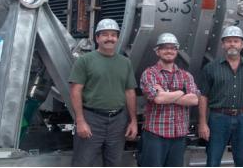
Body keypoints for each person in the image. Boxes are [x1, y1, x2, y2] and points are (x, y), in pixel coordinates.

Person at [69, 18, 138, 166]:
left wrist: (133, 121)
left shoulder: (125, 62)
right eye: (105, 34)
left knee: (114, 163)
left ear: (117, 38)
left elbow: (130, 93)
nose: (109, 38)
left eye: (113, 35)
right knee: (83, 162)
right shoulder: (85, 61)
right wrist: (80, 121)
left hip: (118, 121)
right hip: (92, 119)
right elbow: (75, 91)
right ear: (97, 38)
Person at [198, 25, 243, 167]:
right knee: (213, 159)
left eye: (236, 41)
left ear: (242, 45)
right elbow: (203, 96)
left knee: (242, 160)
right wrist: (203, 123)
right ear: (223, 45)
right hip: (218, 118)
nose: (232, 44)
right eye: (228, 41)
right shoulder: (211, 68)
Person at [138, 33, 200, 166]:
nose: (169, 51)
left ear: (176, 51)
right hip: (156, 134)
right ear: (157, 51)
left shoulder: (186, 75)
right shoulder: (149, 73)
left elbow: (194, 100)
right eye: (165, 48)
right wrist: (182, 92)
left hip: (179, 135)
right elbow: (158, 99)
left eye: (173, 48)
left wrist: (167, 94)